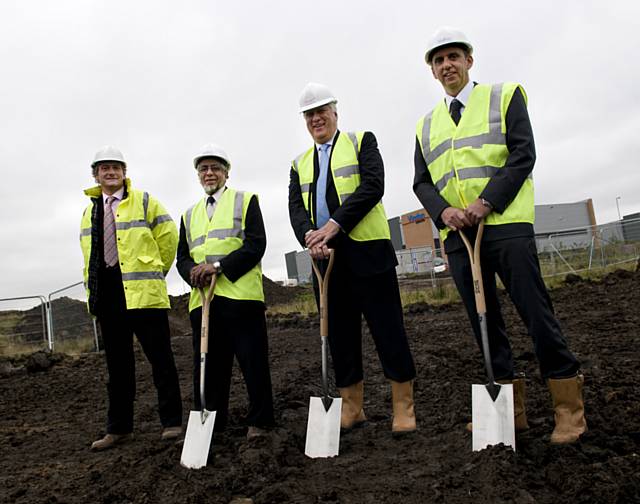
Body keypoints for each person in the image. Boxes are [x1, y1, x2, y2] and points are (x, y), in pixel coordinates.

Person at [413, 27, 587, 443]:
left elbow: (523, 153)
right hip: (458, 236)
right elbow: (421, 182)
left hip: (505, 225)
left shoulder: (504, 96)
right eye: (438, 61)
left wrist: (485, 202)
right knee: (483, 322)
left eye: (453, 56)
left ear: (469, 60)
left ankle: (568, 408)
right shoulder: (426, 124)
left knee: (535, 313)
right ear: (433, 72)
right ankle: (510, 410)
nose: (446, 65)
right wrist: (446, 211)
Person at [289, 82, 417, 434]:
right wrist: (309, 237)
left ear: (334, 112)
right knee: (340, 337)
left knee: (388, 332)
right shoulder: (298, 164)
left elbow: (372, 187)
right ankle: (352, 408)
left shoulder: (362, 142)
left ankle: (403, 408)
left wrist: (333, 226)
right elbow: (296, 208)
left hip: (368, 255)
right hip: (326, 262)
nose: (317, 119)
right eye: (310, 115)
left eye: (322, 111)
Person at [80, 146, 183, 451]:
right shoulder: (90, 211)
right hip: (108, 295)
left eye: (116, 167)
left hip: (143, 294)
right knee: (117, 367)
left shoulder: (145, 201)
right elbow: (89, 255)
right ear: (96, 175)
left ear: (124, 172)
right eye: (104, 168)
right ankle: (119, 429)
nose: (110, 173)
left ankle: (171, 422)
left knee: (161, 360)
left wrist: (155, 272)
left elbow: (168, 238)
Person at [176, 144, 274, 440]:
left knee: (252, 361)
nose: (209, 173)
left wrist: (218, 267)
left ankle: (261, 421)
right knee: (207, 366)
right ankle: (210, 424)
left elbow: (256, 245)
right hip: (204, 301)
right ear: (198, 175)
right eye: (203, 169)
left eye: (215, 168)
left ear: (226, 173)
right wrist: (192, 273)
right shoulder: (189, 214)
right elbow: (182, 257)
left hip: (241, 298)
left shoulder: (245, 201)